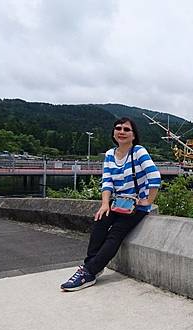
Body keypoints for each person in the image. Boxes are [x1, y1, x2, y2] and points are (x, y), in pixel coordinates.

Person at [61, 117, 161, 291]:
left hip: (135, 207)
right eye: (118, 128)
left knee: (115, 234)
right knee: (99, 223)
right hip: (117, 203)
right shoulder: (109, 154)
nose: (121, 132)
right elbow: (107, 181)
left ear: (134, 135)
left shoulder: (138, 152)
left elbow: (155, 177)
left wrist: (147, 201)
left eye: (126, 129)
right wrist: (104, 204)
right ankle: (91, 268)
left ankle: (88, 272)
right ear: (113, 133)